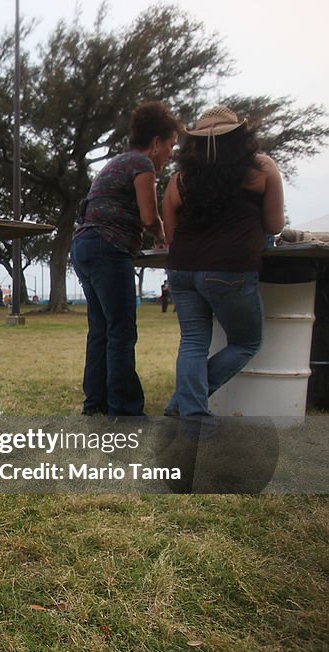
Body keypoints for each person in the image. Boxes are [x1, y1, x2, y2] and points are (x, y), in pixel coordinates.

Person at [163, 105, 285, 417]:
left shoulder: (179, 180)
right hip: (230, 269)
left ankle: (188, 411)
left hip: (181, 270)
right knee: (245, 342)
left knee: (192, 343)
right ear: (241, 136)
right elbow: (274, 225)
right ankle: (184, 406)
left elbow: (170, 234)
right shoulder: (262, 169)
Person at [69, 101, 179, 416]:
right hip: (108, 248)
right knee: (121, 331)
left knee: (101, 330)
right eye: (170, 146)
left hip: (84, 246)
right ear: (156, 142)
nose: (170, 154)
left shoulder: (115, 163)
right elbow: (148, 217)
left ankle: (96, 405)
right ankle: (125, 410)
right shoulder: (141, 165)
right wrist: (163, 236)